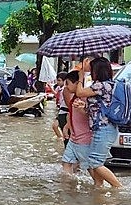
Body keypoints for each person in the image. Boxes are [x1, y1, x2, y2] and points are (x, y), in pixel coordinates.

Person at [74, 57, 122, 189]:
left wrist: (80, 76)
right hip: (101, 128)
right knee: (95, 161)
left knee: (95, 162)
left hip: (104, 129)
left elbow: (79, 92)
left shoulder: (101, 85)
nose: (90, 71)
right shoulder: (108, 85)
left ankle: (118, 187)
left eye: (92, 69)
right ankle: (98, 187)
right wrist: (83, 108)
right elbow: (94, 111)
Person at [60, 71, 92, 173]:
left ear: (77, 83)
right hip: (74, 138)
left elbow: (90, 116)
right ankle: (68, 185)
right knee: (66, 162)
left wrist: (82, 109)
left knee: (91, 167)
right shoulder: (74, 97)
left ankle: (98, 185)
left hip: (84, 139)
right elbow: (71, 114)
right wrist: (66, 127)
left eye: (68, 83)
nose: (66, 87)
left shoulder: (85, 97)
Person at [52, 72, 69, 145]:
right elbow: (56, 95)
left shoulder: (66, 90)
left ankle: (62, 138)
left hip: (65, 112)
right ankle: (60, 138)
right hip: (60, 110)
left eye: (59, 80)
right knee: (55, 126)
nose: (58, 82)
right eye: (57, 80)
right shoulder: (59, 88)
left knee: (57, 126)